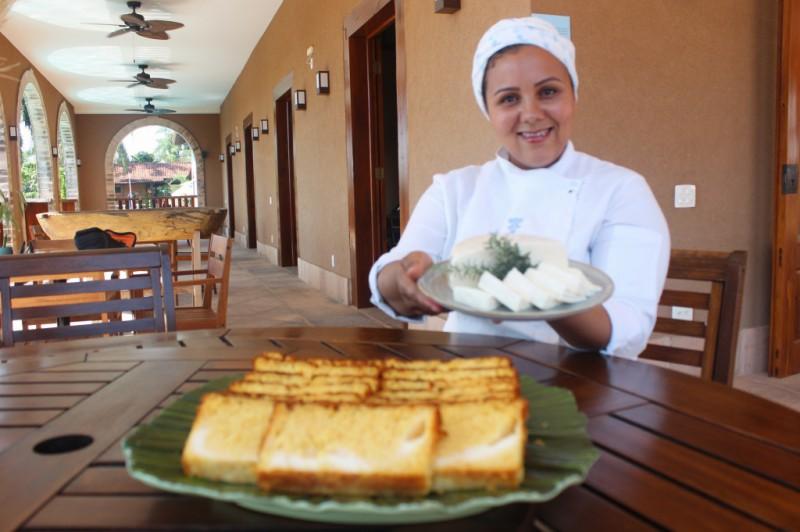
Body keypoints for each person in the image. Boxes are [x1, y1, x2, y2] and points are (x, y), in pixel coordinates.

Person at [368, 16, 670, 359]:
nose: (531, 113)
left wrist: (530, 291)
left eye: (548, 91)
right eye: (509, 99)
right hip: (467, 375)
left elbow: (627, 327)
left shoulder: (622, 190)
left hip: (582, 389)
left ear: (573, 95)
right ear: (488, 110)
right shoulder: (453, 189)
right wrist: (403, 279)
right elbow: (391, 275)